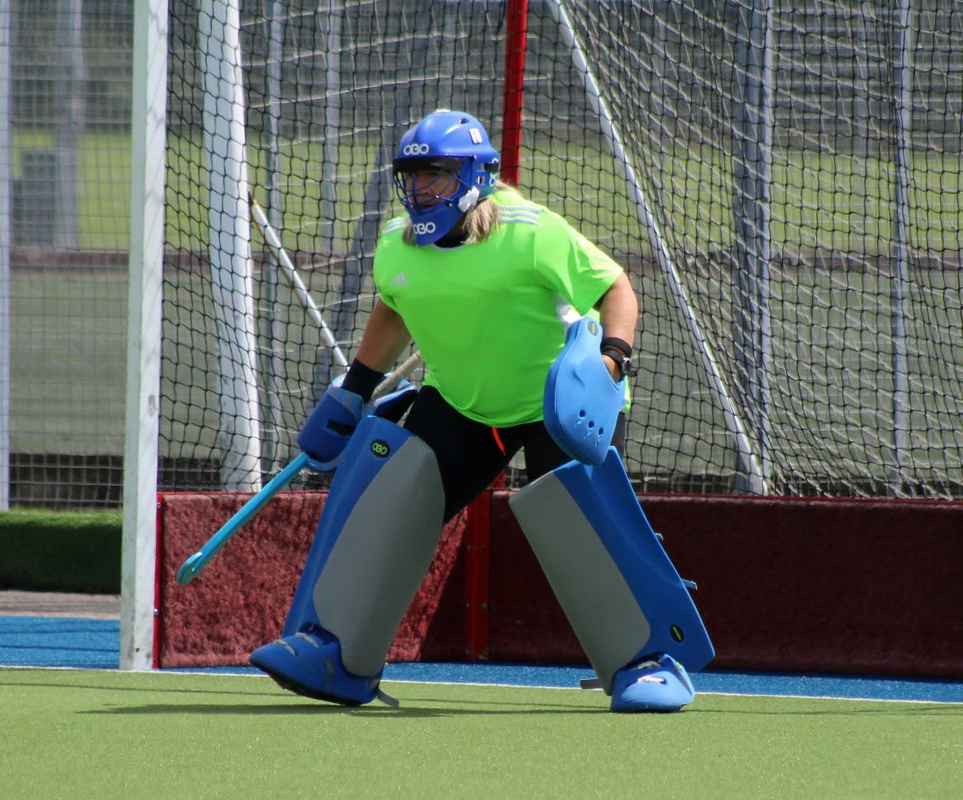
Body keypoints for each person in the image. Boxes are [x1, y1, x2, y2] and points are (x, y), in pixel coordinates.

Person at [249, 109, 709, 712]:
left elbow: (616, 288)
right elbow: (395, 304)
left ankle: (647, 661)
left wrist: (612, 363)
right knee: (391, 508)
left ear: (476, 176)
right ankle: (340, 655)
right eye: (412, 178)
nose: (421, 190)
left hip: (559, 403)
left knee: (586, 530)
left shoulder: (530, 232)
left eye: (436, 176)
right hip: (465, 403)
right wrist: (354, 388)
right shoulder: (396, 244)